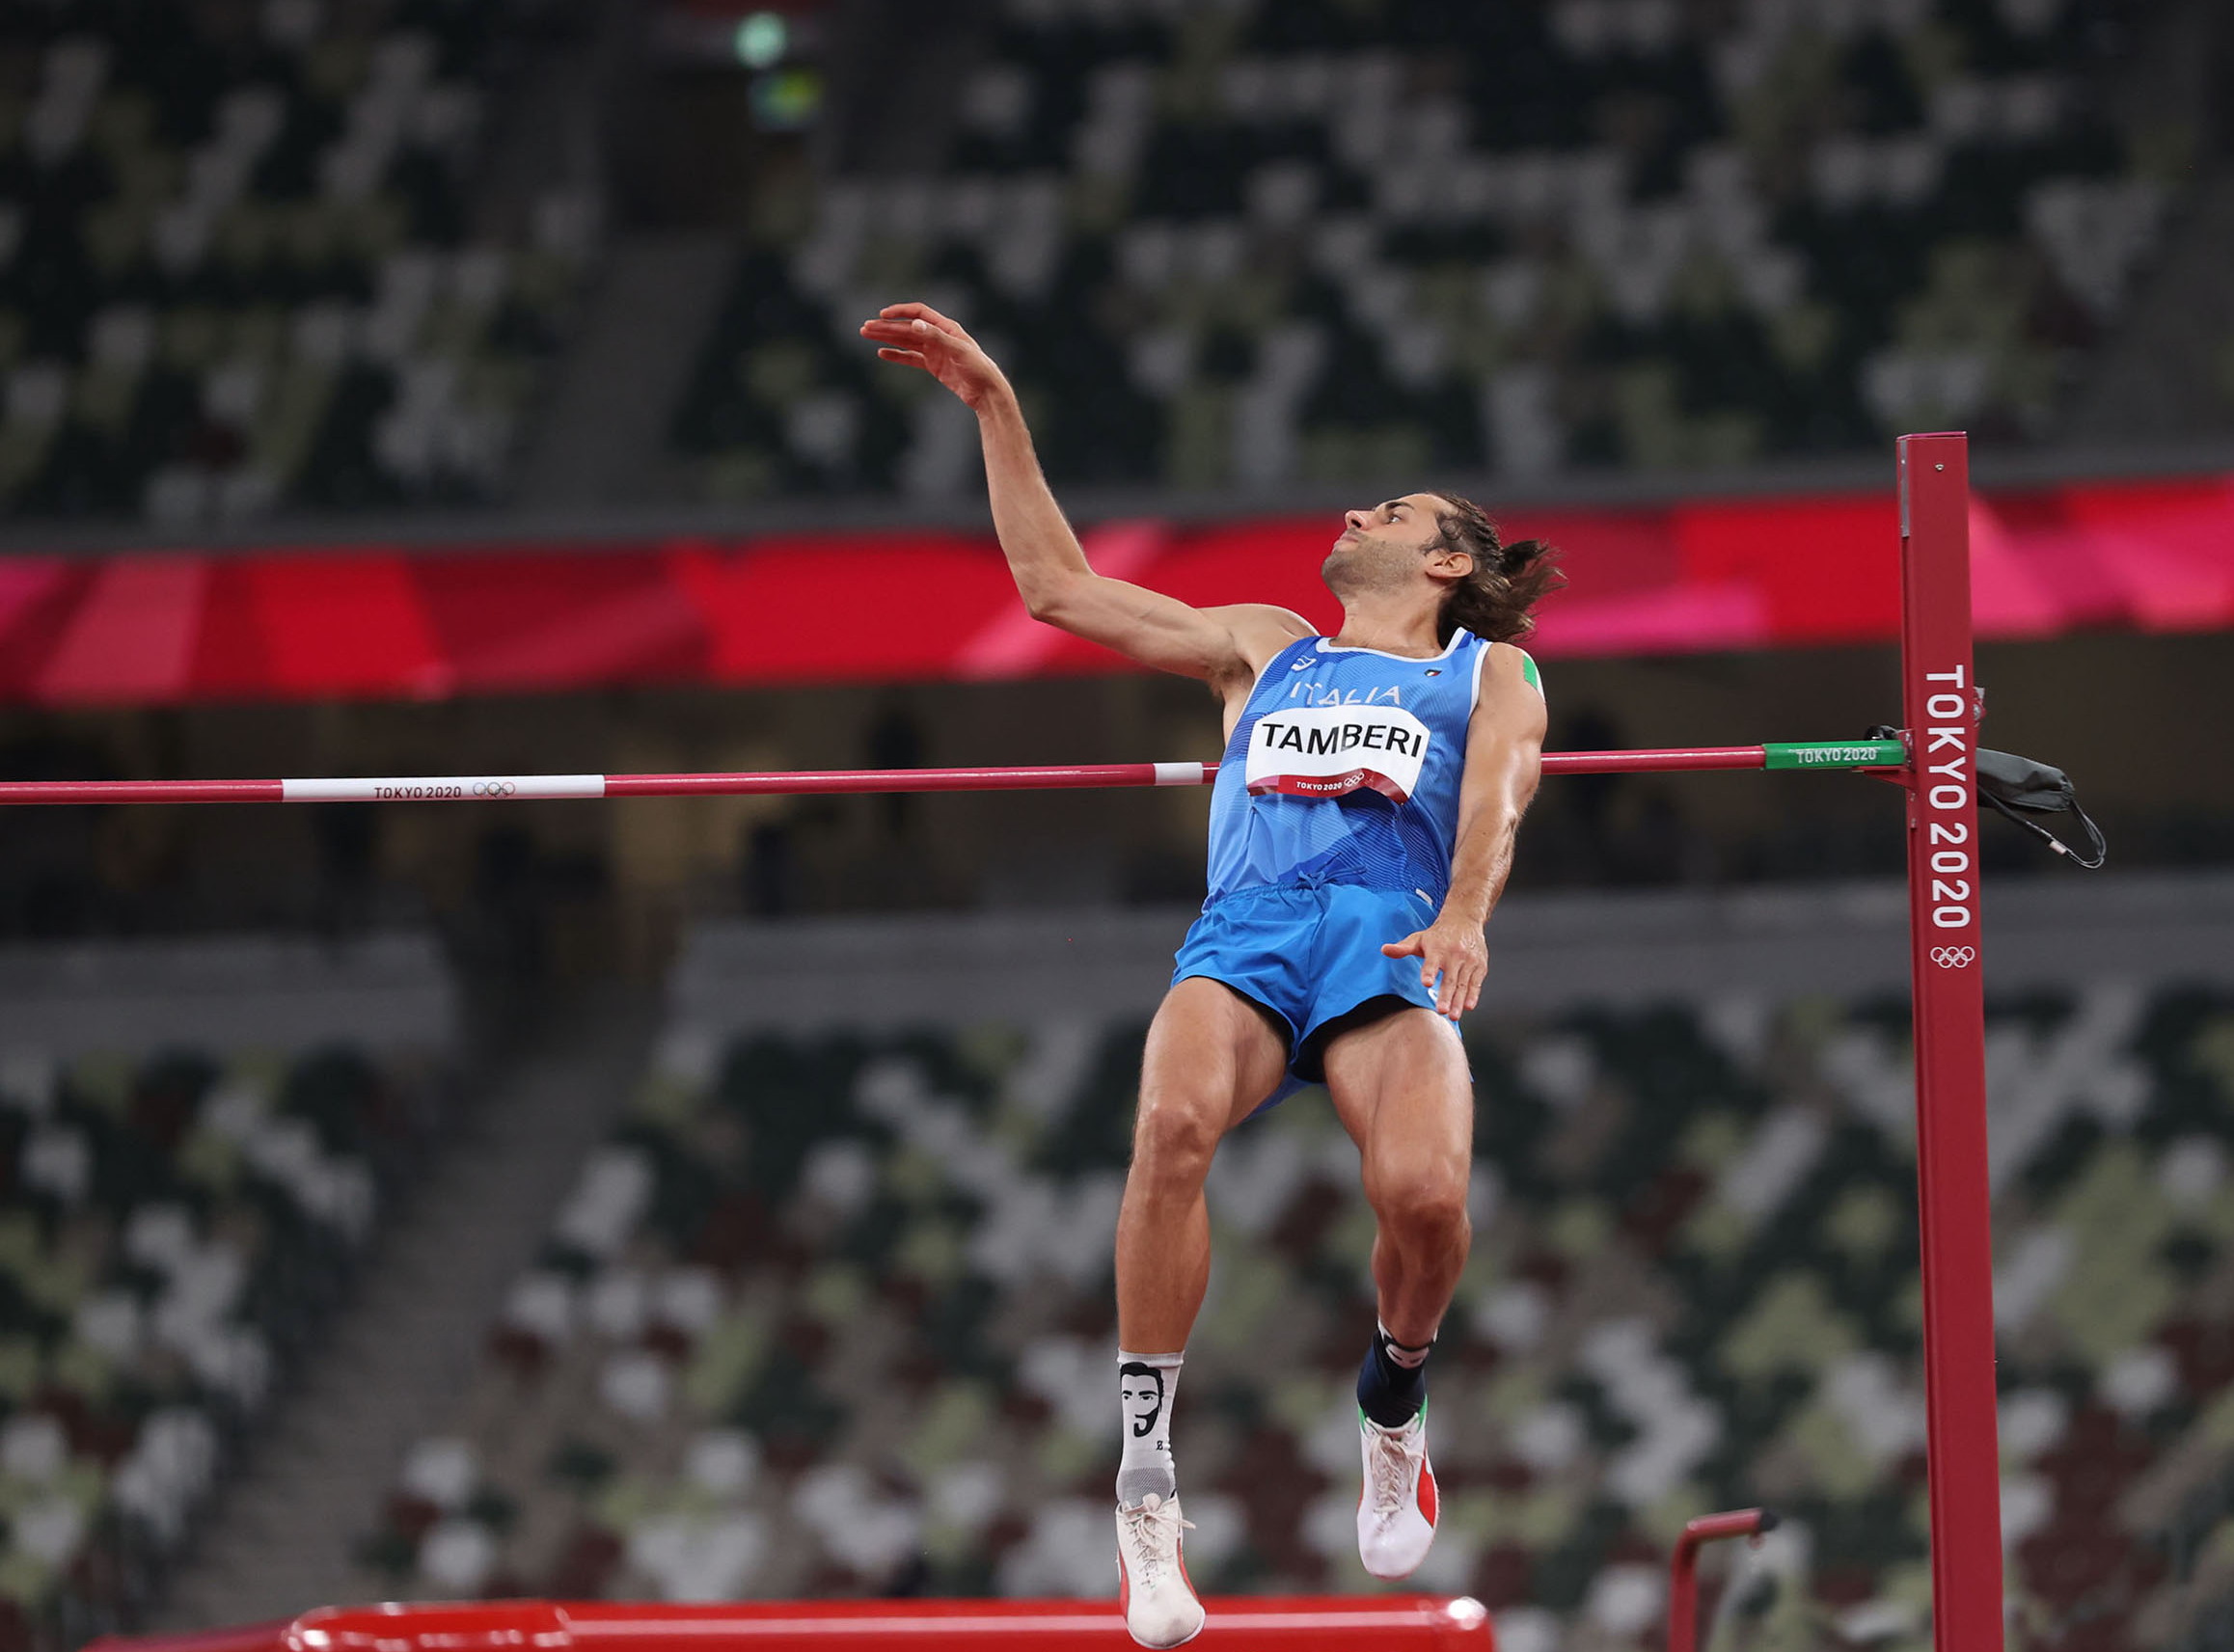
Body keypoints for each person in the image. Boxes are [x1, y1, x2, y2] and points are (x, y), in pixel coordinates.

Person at [861, 302, 1557, 1647]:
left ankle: (1394, 1401)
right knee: (1170, 1128)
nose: (1354, 512)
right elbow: (1058, 591)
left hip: (1391, 935)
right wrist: (996, 403)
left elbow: (1499, 798)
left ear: (1448, 559)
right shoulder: (1262, 642)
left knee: (1424, 1197)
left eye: (1390, 510)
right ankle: (1146, 1488)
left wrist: (1468, 915)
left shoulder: (1494, 673)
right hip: (1245, 933)